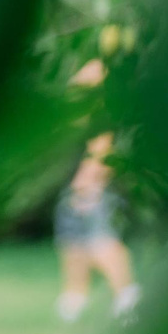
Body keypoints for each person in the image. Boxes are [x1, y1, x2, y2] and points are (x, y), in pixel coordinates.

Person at [54, 133, 140, 321]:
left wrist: (89, 185)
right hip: (80, 189)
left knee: (103, 243)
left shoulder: (99, 116)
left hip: (93, 190)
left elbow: (103, 145)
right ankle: (75, 300)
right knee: (74, 247)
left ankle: (127, 300)